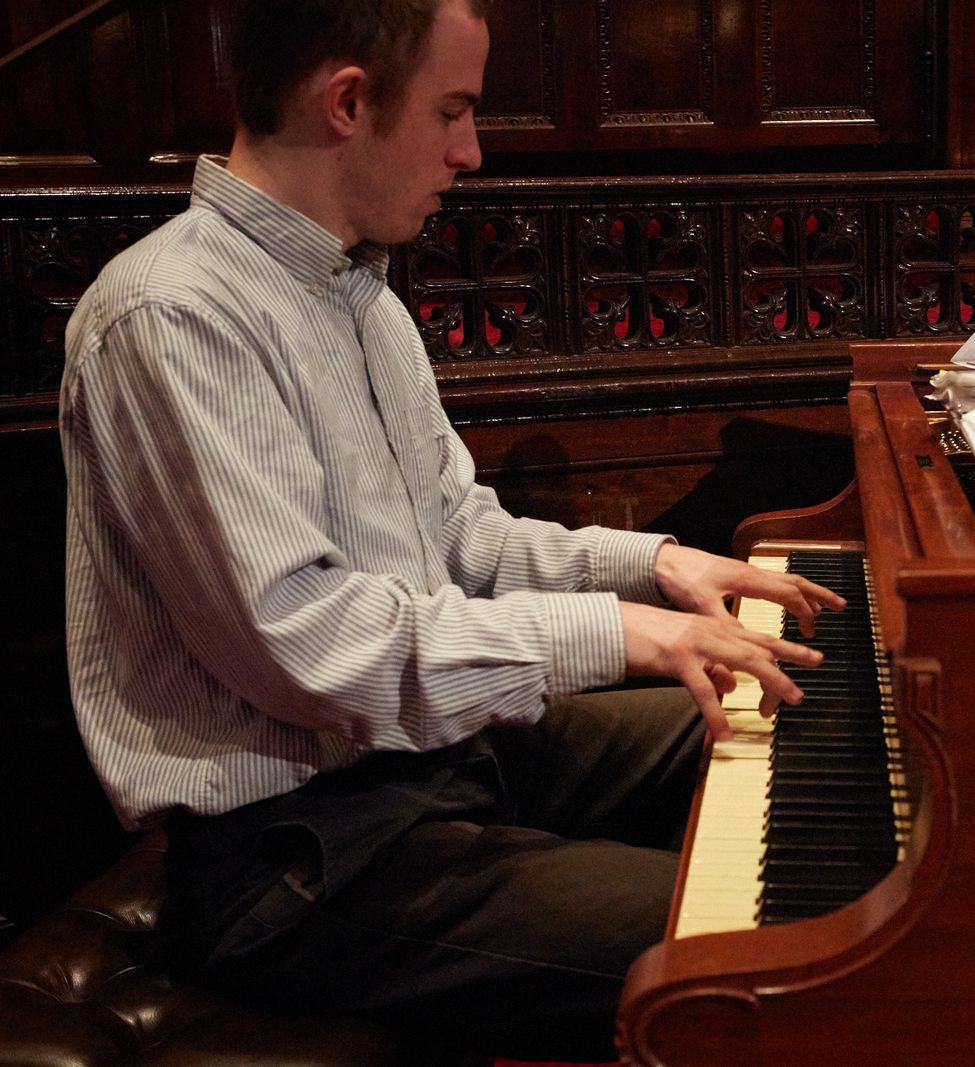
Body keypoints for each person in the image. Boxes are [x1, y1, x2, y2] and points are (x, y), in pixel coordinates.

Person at [57, 0, 844, 1059]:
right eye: (453, 111)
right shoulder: (172, 316)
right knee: (793, 943)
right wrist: (623, 633)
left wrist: (659, 568)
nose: (470, 152)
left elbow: (462, 542)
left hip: (436, 757)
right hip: (300, 853)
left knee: (809, 728)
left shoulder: (359, 297)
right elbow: (314, 644)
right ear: (348, 102)